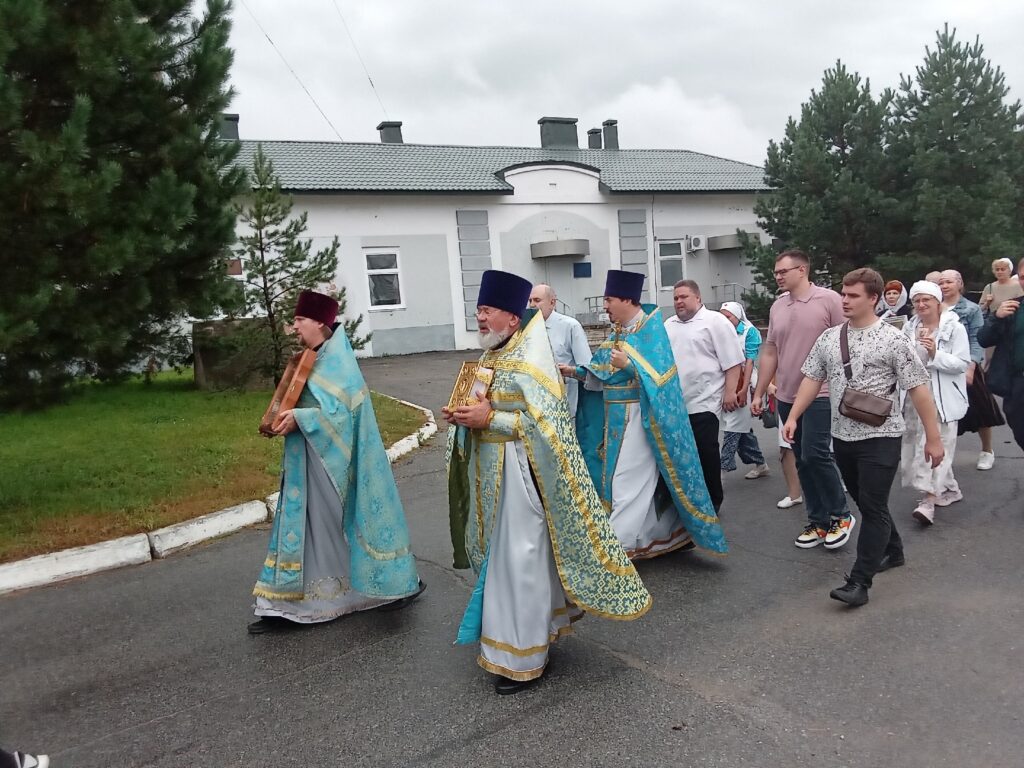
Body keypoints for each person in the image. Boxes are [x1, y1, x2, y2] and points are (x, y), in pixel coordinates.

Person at [444, 270, 650, 694]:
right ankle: (532, 630)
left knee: (519, 562)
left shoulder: (531, 360)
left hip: (523, 478)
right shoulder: (489, 357)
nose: (480, 318)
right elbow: (478, 407)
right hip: (491, 476)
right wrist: (462, 418)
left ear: (512, 318)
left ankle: (523, 655)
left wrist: (492, 418)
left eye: (488, 311)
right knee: (508, 562)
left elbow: (549, 424)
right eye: (479, 310)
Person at [250, 290, 424, 634]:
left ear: (320, 323)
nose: (295, 327)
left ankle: (339, 597)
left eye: (300, 321)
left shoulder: (338, 361)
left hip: (333, 465)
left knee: (327, 527)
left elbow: (342, 414)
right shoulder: (310, 356)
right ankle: (286, 602)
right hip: (307, 460)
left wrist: (303, 418)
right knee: (307, 528)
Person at [783, 268, 944, 607]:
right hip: (842, 437)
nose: (845, 299)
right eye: (843, 293)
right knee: (870, 505)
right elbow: (812, 379)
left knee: (871, 507)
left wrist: (934, 438)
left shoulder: (893, 339)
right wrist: (794, 417)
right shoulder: (829, 337)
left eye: (853, 295)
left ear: (873, 298)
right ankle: (894, 551)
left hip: (881, 437)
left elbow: (919, 389)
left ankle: (859, 582)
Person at [571, 269, 728, 559]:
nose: (604, 307)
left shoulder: (652, 329)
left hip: (643, 419)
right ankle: (650, 538)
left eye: (608, 300)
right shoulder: (620, 330)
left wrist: (630, 366)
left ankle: (612, 552)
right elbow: (603, 370)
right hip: (615, 418)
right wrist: (575, 372)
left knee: (627, 481)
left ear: (626, 299)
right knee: (621, 481)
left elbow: (664, 380)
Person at [751, 249, 853, 550]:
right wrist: (759, 391)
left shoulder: (829, 300)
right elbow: (771, 351)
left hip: (821, 392)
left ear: (802, 270)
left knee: (815, 454)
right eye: (776, 273)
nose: (778, 277)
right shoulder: (778, 306)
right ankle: (818, 520)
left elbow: (846, 340)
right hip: (786, 394)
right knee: (801, 461)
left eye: (783, 272)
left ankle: (841, 515)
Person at [663, 280, 744, 512]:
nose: (679, 301)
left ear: (698, 298)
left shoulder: (715, 322)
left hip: (705, 400)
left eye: (684, 297)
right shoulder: (669, 325)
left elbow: (733, 361)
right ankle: (688, 501)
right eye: (676, 297)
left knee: (705, 451)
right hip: (677, 403)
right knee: (681, 455)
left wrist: (730, 392)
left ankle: (713, 500)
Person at [900, 281, 970, 524]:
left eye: (926, 300)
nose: (921, 305)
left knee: (935, 445)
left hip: (943, 397)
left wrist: (934, 354)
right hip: (915, 397)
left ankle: (928, 501)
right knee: (921, 444)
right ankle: (950, 489)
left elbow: (962, 363)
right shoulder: (909, 327)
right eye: (916, 301)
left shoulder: (953, 328)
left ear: (937, 302)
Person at [937, 269, 1005, 470]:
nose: (944, 286)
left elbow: (977, 338)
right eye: (941, 283)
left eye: (948, 282)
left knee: (982, 408)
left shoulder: (971, 309)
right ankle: (943, 453)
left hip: (966, 364)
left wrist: (971, 366)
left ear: (959, 284)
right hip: (942, 364)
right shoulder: (935, 307)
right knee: (942, 411)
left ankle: (987, 450)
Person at [718, 301, 770, 479]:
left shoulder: (750, 332)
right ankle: (760, 463)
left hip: (742, 382)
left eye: (728, 316)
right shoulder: (720, 331)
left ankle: (722, 469)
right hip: (723, 381)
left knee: (733, 427)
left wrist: (743, 389)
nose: (723, 320)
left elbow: (749, 362)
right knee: (742, 429)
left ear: (737, 316)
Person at [978, 257, 1024, 451]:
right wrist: (996, 317)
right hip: (1018, 386)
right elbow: (984, 339)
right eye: (1023, 277)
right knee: (1020, 431)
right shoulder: (1014, 307)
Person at [529, 283, 592, 417]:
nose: (532, 305)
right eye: (530, 301)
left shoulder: (570, 326)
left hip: (564, 409)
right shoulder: (527, 329)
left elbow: (587, 368)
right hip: (535, 408)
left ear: (552, 303)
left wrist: (570, 371)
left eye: (537, 300)